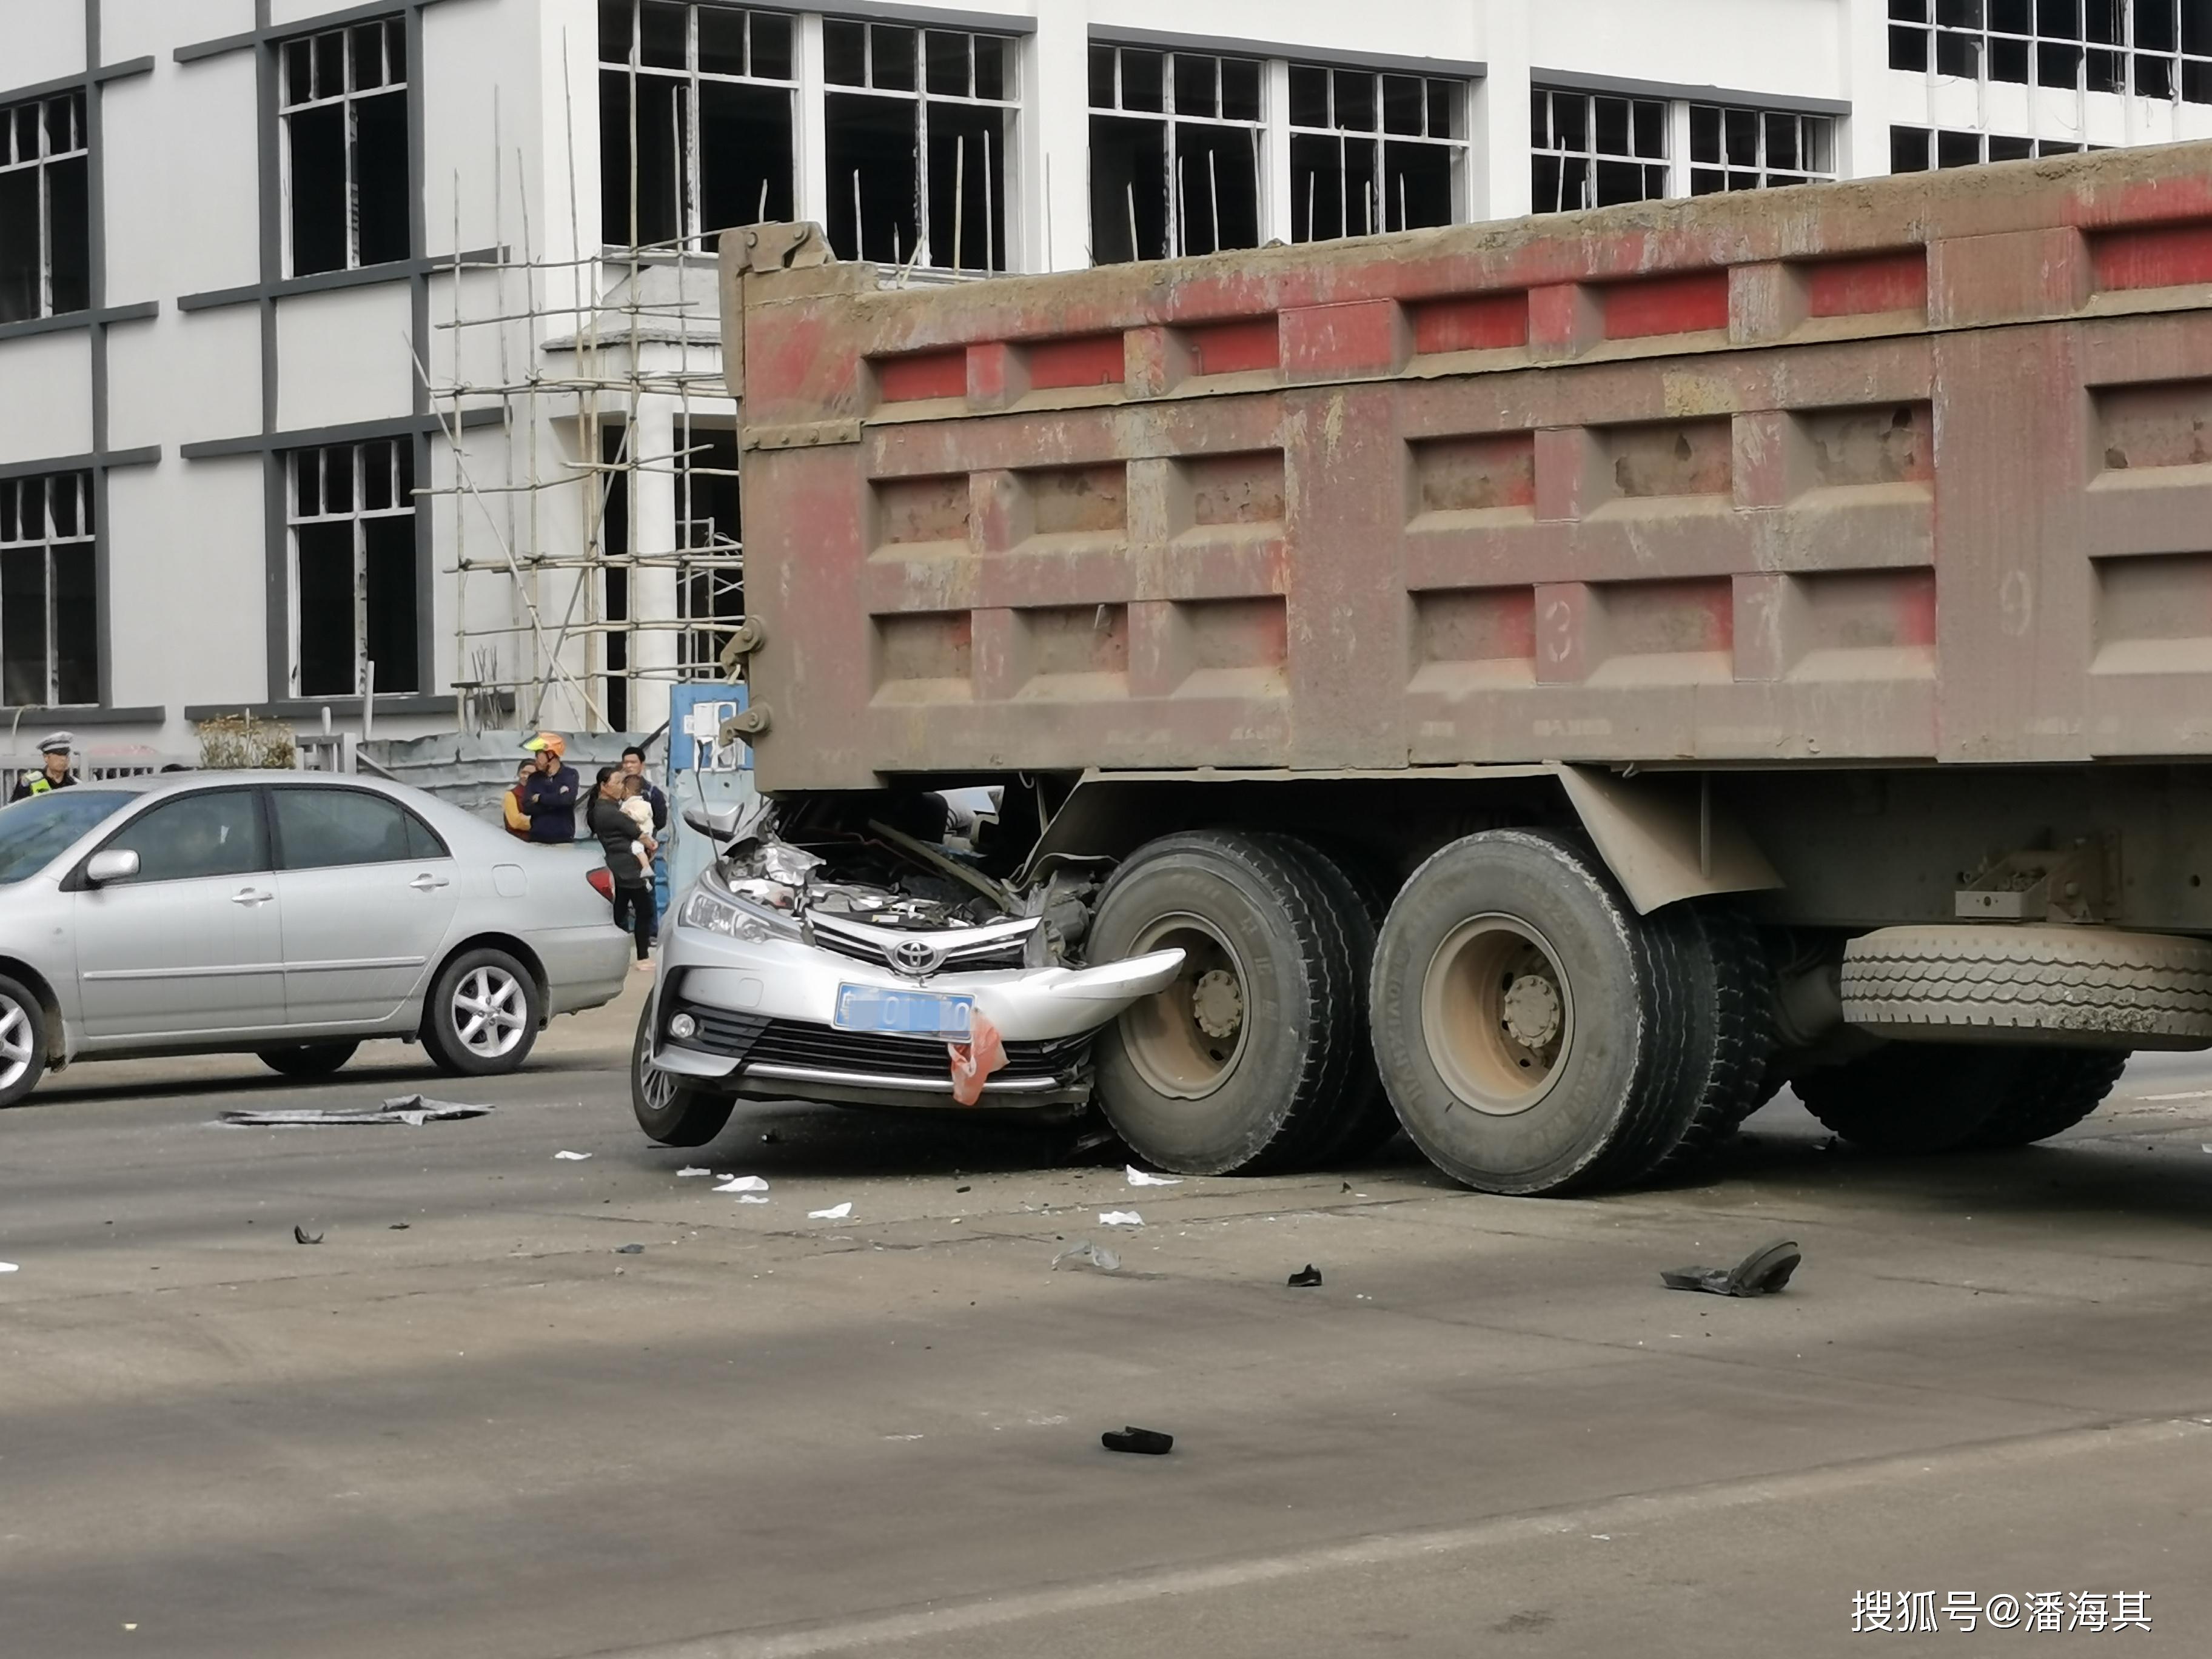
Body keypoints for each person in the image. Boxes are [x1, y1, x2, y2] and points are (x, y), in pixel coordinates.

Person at [588, 765, 655, 970]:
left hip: (619, 866)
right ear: (604, 786)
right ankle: (642, 957)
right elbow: (636, 832)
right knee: (645, 911)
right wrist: (650, 844)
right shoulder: (608, 812)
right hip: (627, 868)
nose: (620, 787)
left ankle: (618, 959)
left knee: (619, 913)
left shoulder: (607, 808)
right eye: (616, 783)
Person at [518, 731, 578, 843]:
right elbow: (527, 807)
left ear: (550, 754)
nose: (536, 761)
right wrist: (556, 799)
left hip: (563, 841)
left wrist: (540, 799)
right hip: (537, 841)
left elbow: (567, 800)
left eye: (538, 755)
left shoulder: (570, 775)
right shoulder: (534, 779)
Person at [10, 733, 77, 802]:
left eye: (66, 754)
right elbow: (17, 810)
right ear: (46, 757)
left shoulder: (76, 786)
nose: (64, 758)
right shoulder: (28, 783)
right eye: (59, 754)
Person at [501, 759, 534, 840]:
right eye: (524, 773)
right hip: (517, 842)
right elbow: (516, 821)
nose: (526, 777)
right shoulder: (511, 795)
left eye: (531, 774)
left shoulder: (541, 794)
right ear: (519, 774)